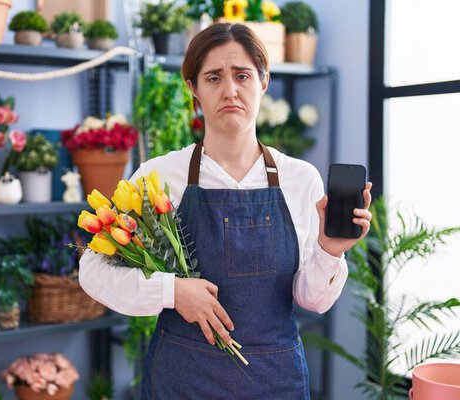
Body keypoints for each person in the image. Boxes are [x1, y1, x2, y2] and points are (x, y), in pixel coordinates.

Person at [79, 22, 372, 399]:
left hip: (274, 380)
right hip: (183, 380)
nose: (230, 90)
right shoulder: (158, 176)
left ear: (263, 82)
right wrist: (172, 291)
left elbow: (311, 299)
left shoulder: (300, 179)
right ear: (194, 90)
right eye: (214, 77)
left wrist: (330, 251)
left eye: (243, 75)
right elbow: (92, 268)